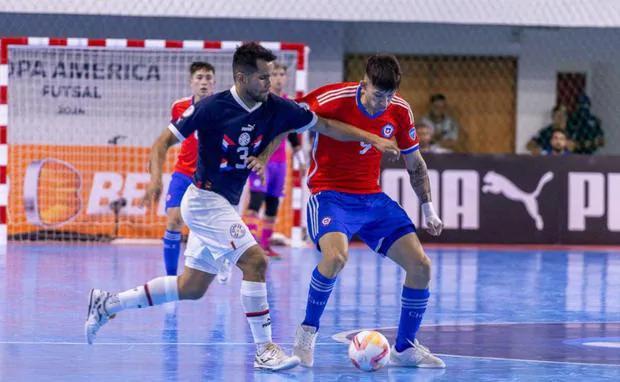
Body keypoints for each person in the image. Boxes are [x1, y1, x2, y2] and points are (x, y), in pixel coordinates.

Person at [84, 42, 400, 372]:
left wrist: (372, 138)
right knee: (255, 261)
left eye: (271, 76)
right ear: (241, 77)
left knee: (190, 287)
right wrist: (154, 180)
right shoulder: (212, 108)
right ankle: (264, 350)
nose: (270, 83)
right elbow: (163, 141)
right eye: (263, 78)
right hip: (205, 201)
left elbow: (325, 125)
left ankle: (108, 303)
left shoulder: (277, 107)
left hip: (225, 204)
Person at [292, 54, 446, 369]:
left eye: (389, 96)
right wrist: (268, 152)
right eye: (378, 95)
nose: (382, 103)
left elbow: (415, 164)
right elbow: (291, 117)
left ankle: (404, 348)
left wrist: (428, 208)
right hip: (330, 195)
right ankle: (307, 332)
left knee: (421, 266)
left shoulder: (400, 111)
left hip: (371, 198)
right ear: (364, 84)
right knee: (335, 258)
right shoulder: (332, 97)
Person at [243, 62, 305, 258]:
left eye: (281, 74)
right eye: (274, 74)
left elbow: (294, 136)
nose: (278, 78)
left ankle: (264, 246)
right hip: (261, 160)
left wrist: (301, 159)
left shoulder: (289, 104)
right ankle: (248, 247)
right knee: (256, 201)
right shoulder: (261, 101)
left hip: (280, 163)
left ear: (286, 78)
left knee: (272, 205)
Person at [162, 62, 216, 278]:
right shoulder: (179, 107)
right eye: (199, 77)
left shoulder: (223, 107)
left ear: (214, 82)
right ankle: (171, 279)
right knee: (174, 221)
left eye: (208, 78)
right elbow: (173, 136)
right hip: (184, 172)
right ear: (191, 82)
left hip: (210, 177)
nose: (204, 82)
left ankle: (218, 267)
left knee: (210, 229)